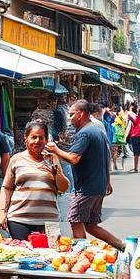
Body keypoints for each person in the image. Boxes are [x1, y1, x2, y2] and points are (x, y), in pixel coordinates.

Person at [48, 99, 122, 249]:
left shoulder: (85, 133)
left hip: (87, 188)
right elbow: (105, 156)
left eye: (71, 115)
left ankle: (81, 253)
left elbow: (74, 158)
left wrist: (55, 150)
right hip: (97, 185)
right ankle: (121, 246)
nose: (69, 118)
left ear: (81, 114)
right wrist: (107, 181)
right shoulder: (97, 131)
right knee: (90, 225)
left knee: (74, 219)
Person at [0, 120, 69, 239]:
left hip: (48, 221)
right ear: (26, 139)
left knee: (48, 255)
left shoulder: (52, 159)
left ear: (46, 140)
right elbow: (6, 187)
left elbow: (64, 187)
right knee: (22, 254)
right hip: (19, 219)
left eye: (41, 138)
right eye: (34, 137)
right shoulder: (16, 159)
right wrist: (2, 212)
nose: (37, 141)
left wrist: (56, 171)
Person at [126, 105, 140, 175]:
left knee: (135, 152)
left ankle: (136, 167)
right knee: (137, 152)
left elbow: (129, 117)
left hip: (134, 136)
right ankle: (136, 167)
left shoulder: (134, 118)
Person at [111, 107, 128, 172]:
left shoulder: (115, 118)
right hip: (117, 137)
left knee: (113, 151)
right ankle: (114, 165)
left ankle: (113, 165)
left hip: (114, 137)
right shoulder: (119, 119)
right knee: (115, 151)